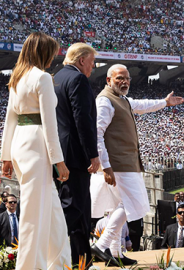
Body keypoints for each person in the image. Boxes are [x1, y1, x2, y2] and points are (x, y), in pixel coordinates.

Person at [91, 64, 184, 266]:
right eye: (119, 78)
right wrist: (105, 165)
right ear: (108, 80)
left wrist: (165, 103)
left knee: (119, 206)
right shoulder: (105, 101)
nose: (124, 82)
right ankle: (102, 245)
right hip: (119, 164)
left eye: (127, 78)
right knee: (134, 204)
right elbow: (96, 135)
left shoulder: (122, 99)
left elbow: (142, 105)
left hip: (124, 163)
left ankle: (115, 253)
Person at [0, 32, 71, 269]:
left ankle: (59, 262)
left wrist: (6, 156)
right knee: (33, 212)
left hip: (21, 143)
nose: (54, 58)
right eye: (52, 52)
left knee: (51, 208)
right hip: (37, 145)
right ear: (43, 52)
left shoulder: (16, 78)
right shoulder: (42, 78)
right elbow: (50, 124)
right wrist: (58, 161)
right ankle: (31, 266)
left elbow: (10, 119)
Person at [54, 42, 100, 266]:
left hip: (61, 152)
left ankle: (82, 260)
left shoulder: (57, 77)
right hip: (75, 154)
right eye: (92, 62)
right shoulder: (78, 79)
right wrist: (93, 154)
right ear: (82, 60)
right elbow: (83, 120)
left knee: (82, 210)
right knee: (72, 208)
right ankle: (51, 250)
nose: (93, 67)